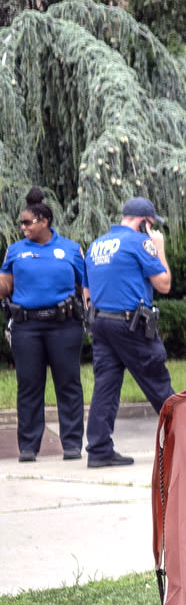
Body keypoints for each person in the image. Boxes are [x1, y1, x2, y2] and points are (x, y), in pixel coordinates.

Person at [82, 195, 177, 468]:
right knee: (157, 379)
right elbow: (164, 284)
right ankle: (184, 437)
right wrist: (159, 248)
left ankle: (99, 450)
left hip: (100, 322)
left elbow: (86, 290)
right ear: (144, 222)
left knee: (106, 386)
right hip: (130, 324)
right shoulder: (140, 242)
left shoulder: (96, 245)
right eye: (151, 224)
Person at [5, 195, 91, 462]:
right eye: (21, 223)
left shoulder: (70, 249)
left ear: (44, 222)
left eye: (27, 222)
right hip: (27, 327)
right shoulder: (15, 250)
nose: (23, 228)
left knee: (68, 384)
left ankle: (73, 444)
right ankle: (29, 447)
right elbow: (5, 286)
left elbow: (84, 287)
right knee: (29, 385)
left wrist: (92, 314)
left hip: (64, 326)